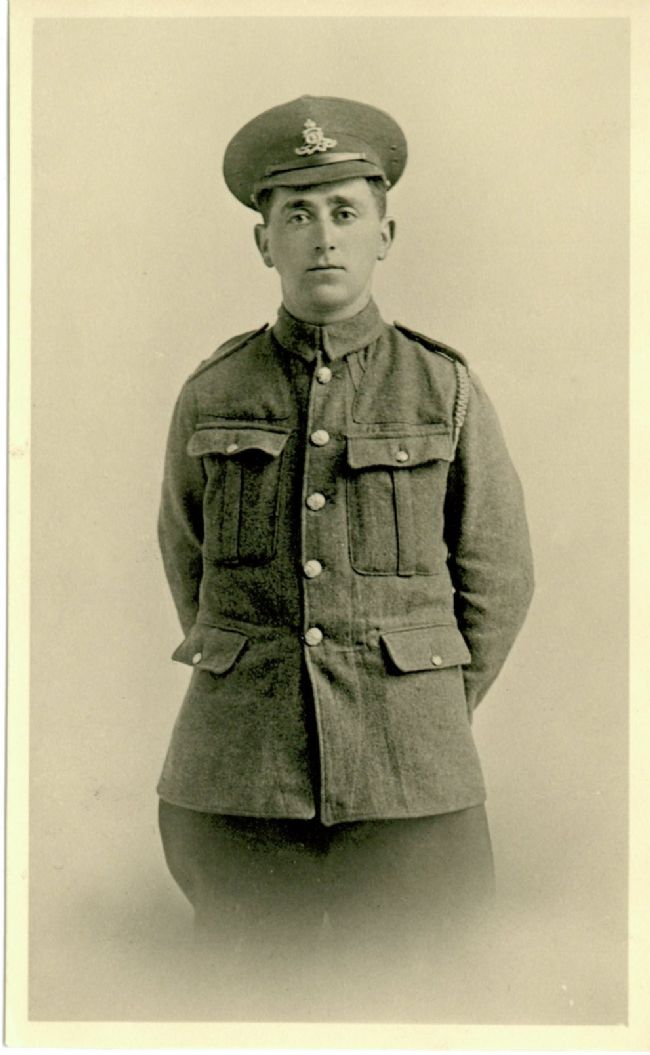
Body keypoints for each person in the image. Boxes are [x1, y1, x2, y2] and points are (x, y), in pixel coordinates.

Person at [156, 94, 534, 998]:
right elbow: (189, 558)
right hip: (239, 787)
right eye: (296, 214)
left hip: (415, 796)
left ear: (384, 234)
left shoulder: (441, 388)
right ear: (264, 243)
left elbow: (498, 577)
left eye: (344, 212)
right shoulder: (213, 391)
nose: (323, 236)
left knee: (424, 1005)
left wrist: (422, 698)